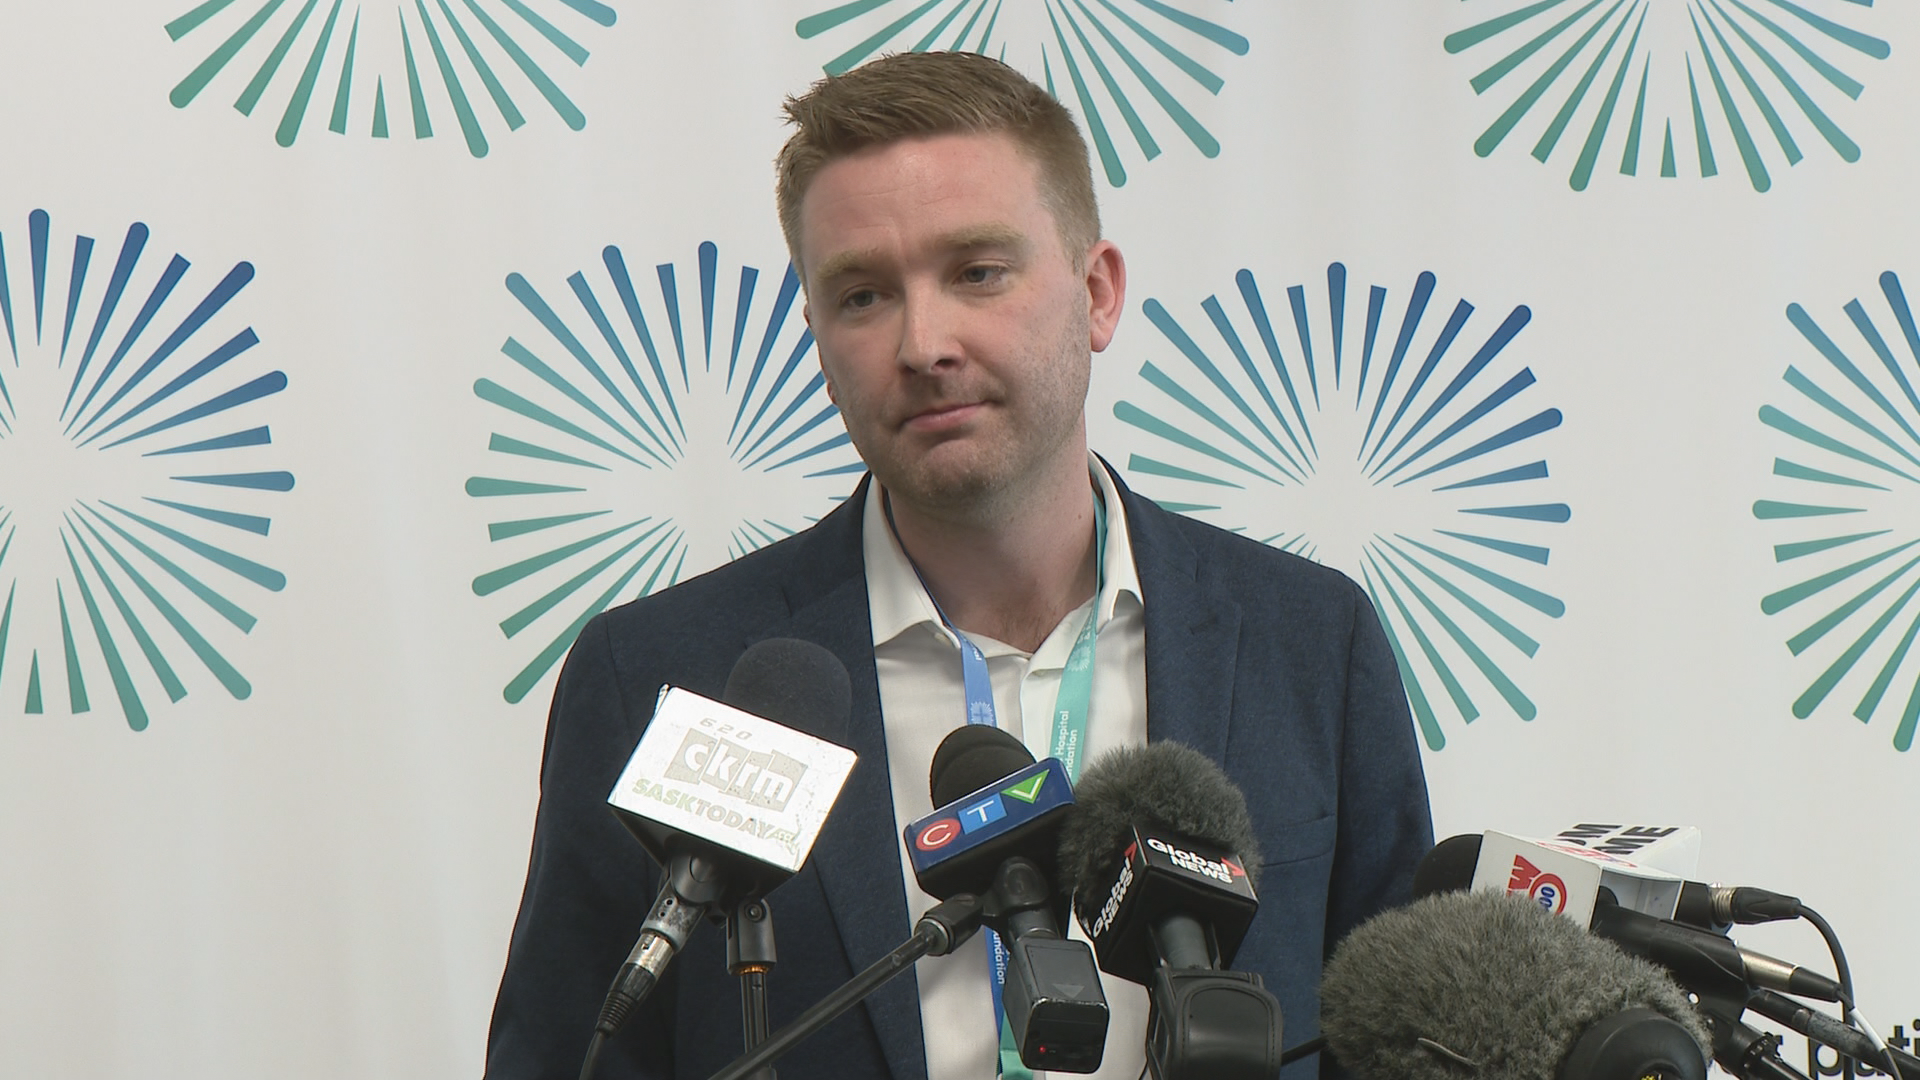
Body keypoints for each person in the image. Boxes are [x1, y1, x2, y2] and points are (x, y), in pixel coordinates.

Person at [484, 51, 1432, 1080]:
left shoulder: (1310, 642)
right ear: (816, 337)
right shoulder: (660, 677)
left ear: (1097, 293)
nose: (922, 342)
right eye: (861, 296)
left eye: (977, 271)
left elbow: (1401, 1045)